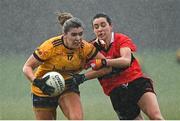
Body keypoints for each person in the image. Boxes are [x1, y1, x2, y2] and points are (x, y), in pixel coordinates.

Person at [22, 12, 111, 120]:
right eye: (74, 35)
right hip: (43, 89)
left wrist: (82, 77)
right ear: (64, 34)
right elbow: (27, 67)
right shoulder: (50, 47)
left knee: (76, 119)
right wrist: (37, 82)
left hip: (68, 86)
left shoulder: (86, 48)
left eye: (80, 34)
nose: (78, 38)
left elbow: (107, 66)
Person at [84, 13, 164, 120]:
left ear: (110, 26)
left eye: (103, 25)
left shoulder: (121, 38)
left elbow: (126, 60)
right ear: (93, 30)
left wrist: (104, 62)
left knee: (156, 117)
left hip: (136, 82)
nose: (100, 29)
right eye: (96, 27)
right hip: (116, 91)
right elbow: (79, 66)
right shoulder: (90, 48)